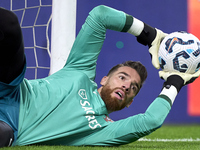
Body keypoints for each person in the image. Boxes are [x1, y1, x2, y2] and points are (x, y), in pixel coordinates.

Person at [0, 5, 199, 147]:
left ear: (130, 102)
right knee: (8, 24)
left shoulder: (102, 131)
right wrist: (151, 35)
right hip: (11, 88)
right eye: (122, 77)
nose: (127, 86)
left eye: (134, 88)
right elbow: (100, 16)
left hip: (11, 127)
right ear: (103, 79)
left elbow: (151, 121)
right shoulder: (80, 71)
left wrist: (175, 81)